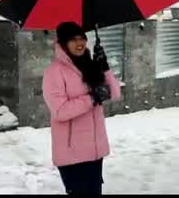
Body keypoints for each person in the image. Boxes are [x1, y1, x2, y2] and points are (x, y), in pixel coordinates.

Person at [42, 22, 122, 195]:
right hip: (72, 154)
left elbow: (114, 94)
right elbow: (60, 111)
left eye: (82, 38)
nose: (79, 43)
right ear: (63, 43)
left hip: (94, 150)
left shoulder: (91, 66)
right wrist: (92, 98)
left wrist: (105, 68)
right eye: (73, 39)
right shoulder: (54, 71)